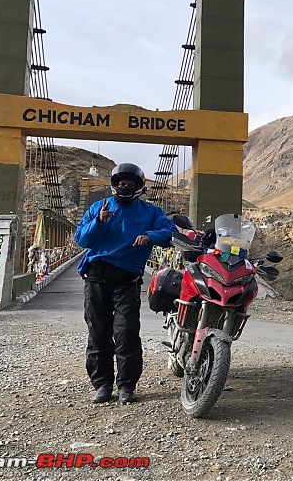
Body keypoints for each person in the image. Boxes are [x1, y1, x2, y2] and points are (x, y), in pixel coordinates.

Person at [74, 163, 177, 405]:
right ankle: (102, 385)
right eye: (122, 183)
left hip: (127, 281)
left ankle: (126, 386)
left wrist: (151, 236)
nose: (126, 187)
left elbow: (170, 232)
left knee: (127, 333)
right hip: (96, 278)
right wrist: (98, 222)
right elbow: (81, 239)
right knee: (98, 333)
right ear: (114, 184)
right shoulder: (98, 208)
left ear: (139, 186)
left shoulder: (150, 212)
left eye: (131, 183)